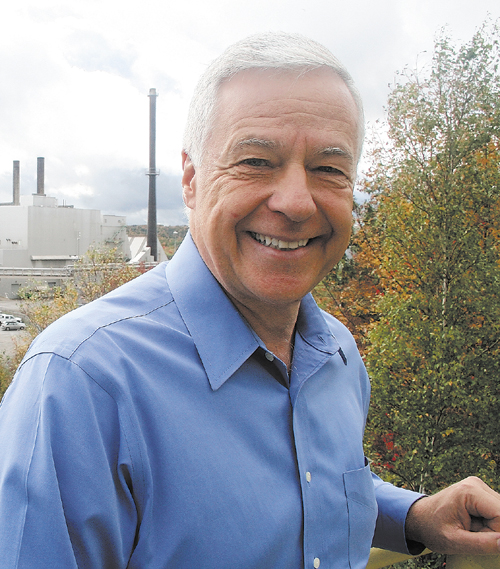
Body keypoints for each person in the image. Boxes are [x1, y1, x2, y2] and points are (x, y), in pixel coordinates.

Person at [0, 32, 499, 569]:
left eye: (329, 169)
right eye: (257, 161)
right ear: (191, 180)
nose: (295, 202)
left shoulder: (336, 354)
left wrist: (415, 516)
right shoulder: (84, 381)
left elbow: (311, 486)